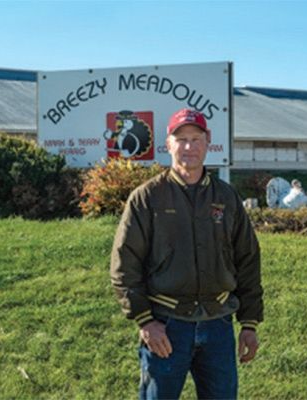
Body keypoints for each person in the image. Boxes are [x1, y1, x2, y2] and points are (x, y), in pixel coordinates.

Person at [110, 108, 264, 400]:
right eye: (181, 139)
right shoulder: (147, 198)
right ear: (167, 144)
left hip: (218, 325)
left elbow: (248, 261)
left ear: (208, 142)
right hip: (166, 326)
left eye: (196, 139)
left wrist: (249, 323)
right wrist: (144, 320)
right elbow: (124, 265)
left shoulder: (226, 197)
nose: (189, 147)